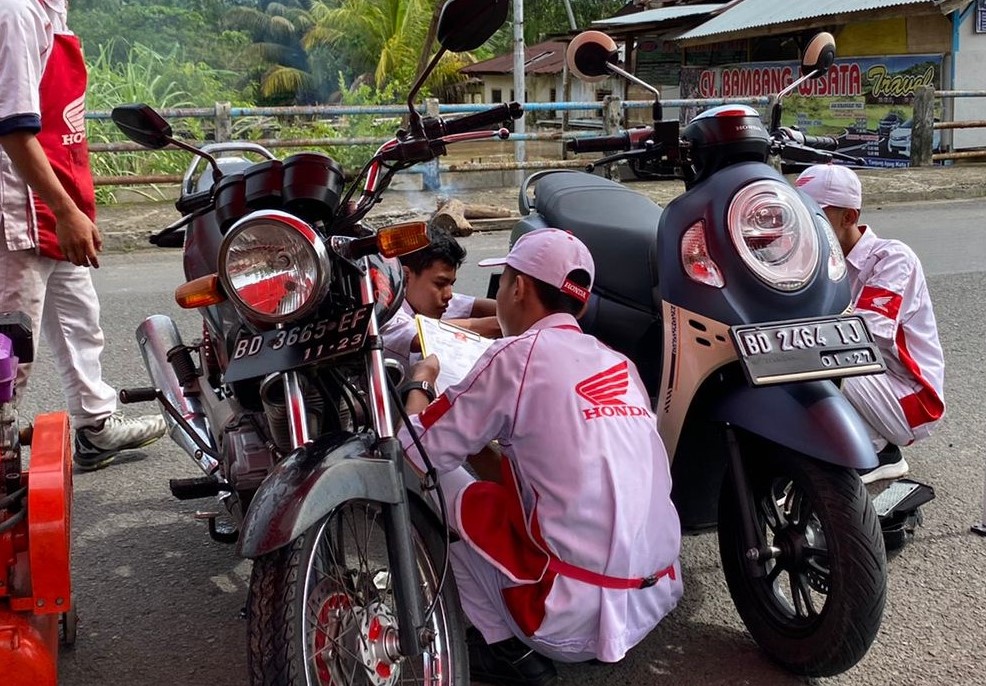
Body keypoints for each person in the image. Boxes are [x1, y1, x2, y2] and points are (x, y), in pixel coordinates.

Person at [397, 228, 682, 686]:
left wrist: (420, 382)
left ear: (518, 288)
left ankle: (504, 649)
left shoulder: (516, 356)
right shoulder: (619, 364)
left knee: (430, 479)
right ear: (580, 304)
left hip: (564, 619)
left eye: (504, 281)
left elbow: (413, 449)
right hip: (652, 600)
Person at [0, 0, 165, 470]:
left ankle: (96, 426)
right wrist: (64, 210)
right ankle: (1, 455)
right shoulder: (16, 12)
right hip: (22, 205)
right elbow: (12, 132)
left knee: (79, 319)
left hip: (53, 195)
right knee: (12, 347)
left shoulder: (49, 11)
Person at [796, 164, 945, 484]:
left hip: (912, 400)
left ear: (848, 217)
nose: (804, 224)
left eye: (815, 215)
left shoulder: (892, 257)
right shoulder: (815, 258)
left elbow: (864, 336)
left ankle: (876, 450)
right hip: (873, 383)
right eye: (799, 212)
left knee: (817, 355)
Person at [381, 225, 499, 371]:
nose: (448, 294)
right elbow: (424, 335)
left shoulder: (425, 300)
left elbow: (479, 307)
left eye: (451, 284)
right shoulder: (385, 312)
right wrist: (499, 324)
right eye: (440, 284)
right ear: (405, 276)